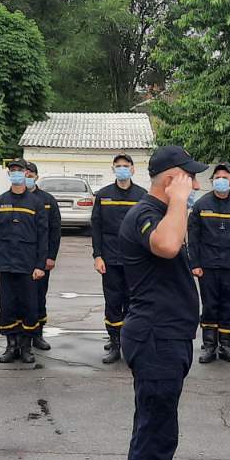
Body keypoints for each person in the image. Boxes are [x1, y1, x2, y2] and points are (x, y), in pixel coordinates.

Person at [118, 145, 207, 460]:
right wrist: (180, 201)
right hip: (155, 339)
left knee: (157, 436)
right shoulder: (145, 214)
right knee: (153, 440)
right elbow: (168, 246)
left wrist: (179, 205)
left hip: (166, 337)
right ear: (170, 178)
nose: (197, 183)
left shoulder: (161, 209)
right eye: (189, 176)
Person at [189, 163, 230, 365]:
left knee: (228, 306)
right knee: (209, 306)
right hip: (207, 266)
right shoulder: (202, 205)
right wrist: (195, 264)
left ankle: (225, 344)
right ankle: (209, 346)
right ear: (212, 181)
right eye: (217, 178)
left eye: (225, 178)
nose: (221, 181)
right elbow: (194, 237)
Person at [0, 158, 49, 364]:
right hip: (5, 265)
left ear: (26, 173)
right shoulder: (0, 202)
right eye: (12, 170)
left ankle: (25, 347)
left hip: (28, 266)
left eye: (19, 170)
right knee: (7, 307)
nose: (16, 173)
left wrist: (40, 265)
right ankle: (11, 346)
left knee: (29, 307)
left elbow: (43, 237)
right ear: (9, 174)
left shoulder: (36, 204)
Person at [91, 153, 147, 365]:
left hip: (135, 262)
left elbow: (147, 229)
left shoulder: (142, 195)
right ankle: (115, 343)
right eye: (118, 166)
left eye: (126, 165)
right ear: (113, 169)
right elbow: (96, 228)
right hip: (111, 260)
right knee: (113, 302)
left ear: (133, 169)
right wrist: (97, 256)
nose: (122, 169)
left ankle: (132, 343)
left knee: (134, 304)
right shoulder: (104, 195)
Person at [24, 162, 62, 352]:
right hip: (19, 260)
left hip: (41, 258)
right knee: (20, 298)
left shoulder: (47, 200)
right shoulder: (10, 199)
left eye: (30, 174)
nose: (26, 177)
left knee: (39, 297)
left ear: (37, 177)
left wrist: (51, 257)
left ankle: (37, 334)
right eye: (24, 173)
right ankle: (19, 339)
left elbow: (55, 231)